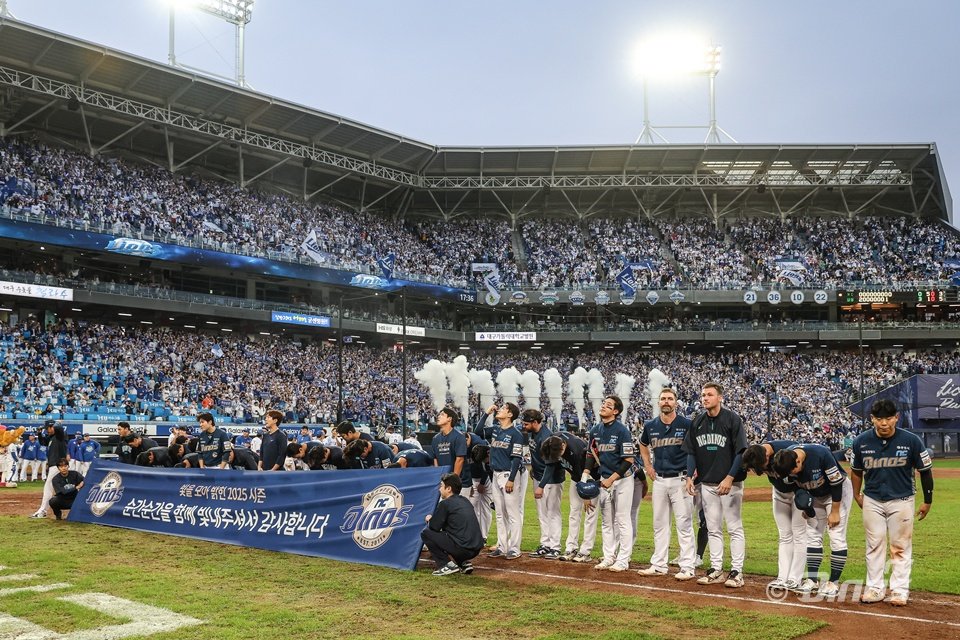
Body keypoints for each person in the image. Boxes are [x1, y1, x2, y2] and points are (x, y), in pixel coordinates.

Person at [851, 399, 933, 607]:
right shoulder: (861, 441)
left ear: (897, 417)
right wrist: (856, 494)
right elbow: (856, 471)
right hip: (872, 499)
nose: (884, 423)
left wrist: (927, 500)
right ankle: (875, 588)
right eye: (879, 419)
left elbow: (925, 471)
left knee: (900, 546)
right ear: (872, 419)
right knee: (874, 544)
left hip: (902, 499)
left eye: (888, 418)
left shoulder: (912, 441)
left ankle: (899, 590)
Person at [683, 382, 748, 588]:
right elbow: (691, 452)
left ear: (720, 397)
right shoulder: (697, 422)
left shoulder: (732, 419)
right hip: (707, 483)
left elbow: (741, 452)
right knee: (713, 529)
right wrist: (689, 476)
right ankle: (716, 569)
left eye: (709, 395)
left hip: (731, 484)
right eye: (703, 395)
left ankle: (737, 571)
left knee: (734, 527)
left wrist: (730, 477)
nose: (705, 398)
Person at [772, 442, 852, 597]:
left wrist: (835, 511)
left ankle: (833, 583)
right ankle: (812, 580)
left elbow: (836, 483)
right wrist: (807, 508)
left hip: (836, 493)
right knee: (813, 535)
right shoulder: (785, 461)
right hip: (815, 495)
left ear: (798, 461)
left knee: (836, 535)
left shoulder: (820, 454)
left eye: (792, 472)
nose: (791, 475)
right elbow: (796, 487)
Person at [638, 388, 696, 580]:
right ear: (658, 402)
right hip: (660, 480)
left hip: (681, 479)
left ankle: (687, 566)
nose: (666, 401)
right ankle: (659, 565)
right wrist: (648, 465)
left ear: (676, 403)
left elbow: (695, 449)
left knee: (684, 524)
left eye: (670, 399)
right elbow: (642, 444)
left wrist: (692, 472)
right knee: (659, 524)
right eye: (663, 398)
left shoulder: (686, 424)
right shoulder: (650, 425)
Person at [742, 441, 804, 590]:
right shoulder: (756, 455)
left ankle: (795, 578)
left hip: (799, 493)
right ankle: (782, 577)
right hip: (779, 494)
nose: (761, 470)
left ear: (767, 456)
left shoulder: (787, 449)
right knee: (785, 535)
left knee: (799, 535)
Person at [587, 395, 635, 572]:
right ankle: (608, 557)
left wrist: (611, 479)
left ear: (615, 411)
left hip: (623, 480)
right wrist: (585, 474)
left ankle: (623, 559)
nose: (603, 406)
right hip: (604, 480)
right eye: (603, 404)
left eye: (608, 405)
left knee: (622, 519)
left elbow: (629, 459)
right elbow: (591, 454)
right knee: (606, 522)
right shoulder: (595, 430)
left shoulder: (622, 430)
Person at [540, 430, 598, 563]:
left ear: (563, 446)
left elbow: (583, 472)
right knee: (574, 512)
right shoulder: (553, 442)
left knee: (590, 514)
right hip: (576, 477)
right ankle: (571, 548)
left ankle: (585, 551)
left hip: (592, 478)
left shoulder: (577, 451)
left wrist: (586, 496)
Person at [421, 473, 485, 576]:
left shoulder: (445, 504)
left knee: (426, 533)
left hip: (463, 549)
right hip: (476, 548)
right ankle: (463, 563)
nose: (439, 489)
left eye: (441, 486)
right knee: (453, 534)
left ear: (448, 489)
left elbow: (434, 527)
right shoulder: (465, 501)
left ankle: (446, 565)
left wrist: (429, 519)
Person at [485, 402, 526, 560]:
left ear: (510, 415)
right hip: (495, 474)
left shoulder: (516, 434)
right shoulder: (496, 429)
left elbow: (516, 458)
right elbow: (478, 431)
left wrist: (511, 479)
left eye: (503, 408)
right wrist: (487, 414)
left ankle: (515, 548)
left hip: (508, 474)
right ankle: (502, 546)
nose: (500, 409)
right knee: (500, 513)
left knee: (512, 513)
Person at [521, 408, 562, 560]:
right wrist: (533, 469)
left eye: (526, 424)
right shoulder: (534, 433)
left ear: (535, 422)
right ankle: (545, 544)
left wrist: (541, 485)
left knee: (553, 513)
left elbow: (551, 465)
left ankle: (555, 547)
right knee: (542, 513)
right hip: (539, 476)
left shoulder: (547, 437)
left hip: (551, 479)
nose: (524, 426)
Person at [31, 420, 68, 519]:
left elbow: (59, 429)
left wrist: (56, 423)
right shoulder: (52, 438)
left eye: (47, 428)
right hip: (54, 466)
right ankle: (48, 510)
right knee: (56, 489)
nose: (46, 430)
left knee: (48, 488)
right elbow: (43, 442)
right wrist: (39, 434)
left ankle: (42, 511)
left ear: (52, 427)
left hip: (57, 466)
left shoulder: (60, 435)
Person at [432, 407, 467, 482]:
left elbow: (460, 460)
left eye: (442, 414)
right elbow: (435, 458)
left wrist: (453, 480)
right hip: (442, 480)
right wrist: (438, 476)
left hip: (459, 481)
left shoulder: (459, 436)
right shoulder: (435, 438)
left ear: (449, 419)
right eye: (439, 415)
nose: (438, 416)